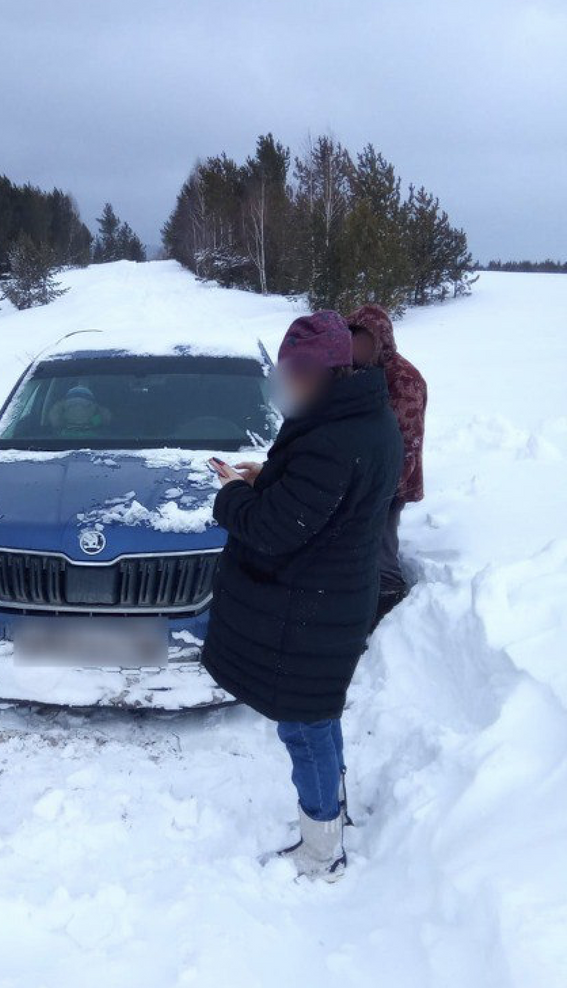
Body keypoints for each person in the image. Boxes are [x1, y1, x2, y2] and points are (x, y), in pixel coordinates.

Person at [202, 311, 402, 882]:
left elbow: (271, 528)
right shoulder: (361, 415)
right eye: (284, 371)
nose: (287, 384)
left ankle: (321, 850)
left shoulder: (334, 439)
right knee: (320, 714)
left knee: (304, 726)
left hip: (313, 610)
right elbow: (329, 495)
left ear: (330, 371)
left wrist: (234, 497)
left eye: (299, 373)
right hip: (334, 597)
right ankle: (334, 814)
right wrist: (268, 474)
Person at [346, 303, 426, 624]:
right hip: (363, 477)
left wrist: (384, 489)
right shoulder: (361, 371)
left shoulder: (404, 380)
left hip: (390, 483)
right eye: (353, 339)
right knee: (364, 546)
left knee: (381, 550)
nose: (356, 347)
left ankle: (389, 616)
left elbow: (406, 443)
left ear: (381, 341)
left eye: (364, 340)